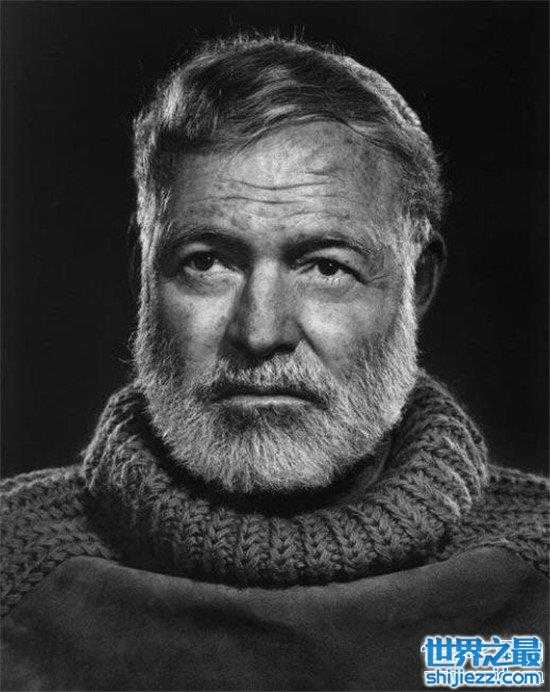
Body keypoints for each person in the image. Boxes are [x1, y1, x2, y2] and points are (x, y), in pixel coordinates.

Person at [1, 35, 548, 691]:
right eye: (207, 262)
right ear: (145, 278)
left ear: (417, 283)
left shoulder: (536, 576)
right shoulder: (14, 566)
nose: (260, 332)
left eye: (326, 268)